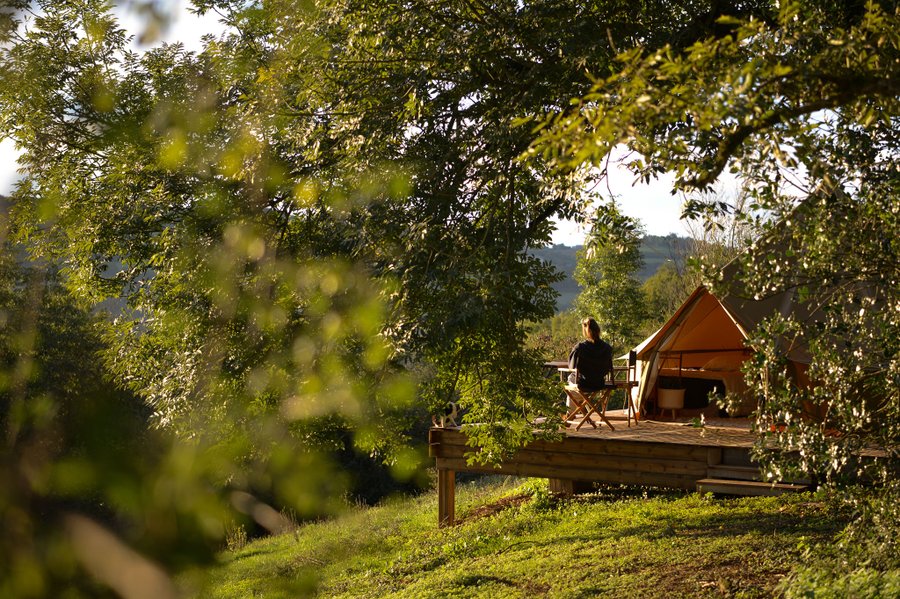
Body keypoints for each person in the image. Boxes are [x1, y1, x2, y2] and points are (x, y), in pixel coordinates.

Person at [568, 317, 614, 391]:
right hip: (599, 384)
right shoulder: (607, 348)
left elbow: (571, 366)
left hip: (583, 384)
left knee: (570, 378)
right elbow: (608, 368)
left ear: (585, 331)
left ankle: (574, 402)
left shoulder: (580, 347)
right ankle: (585, 402)